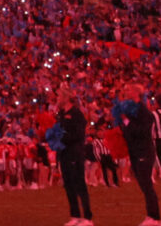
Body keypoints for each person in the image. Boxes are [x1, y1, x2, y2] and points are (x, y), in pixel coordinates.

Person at [118, 85, 161, 226]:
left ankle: (155, 218)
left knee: (146, 184)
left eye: (130, 90)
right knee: (143, 185)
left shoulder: (143, 111)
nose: (127, 92)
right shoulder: (132, 110)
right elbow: (129, 131)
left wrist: (126, 121)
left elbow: (141, 131)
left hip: (144, 150)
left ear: (137, 93)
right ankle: (151, 216)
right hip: (135, 151)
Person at [50, 90, 92, 226]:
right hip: (64, 153)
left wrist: (62, 138)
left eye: (59, 96)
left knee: (79, 184)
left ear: (66, 98)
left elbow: (79, 135)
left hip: (75, 153)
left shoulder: (76, 114)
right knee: (68, 185)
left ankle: (88, 218)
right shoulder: (61, 115)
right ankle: (75, 215)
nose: (57, 99)